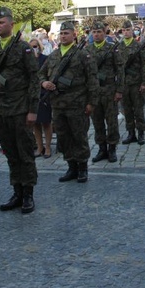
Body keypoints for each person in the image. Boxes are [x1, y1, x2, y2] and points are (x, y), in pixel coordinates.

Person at [0, 7, 40, 213]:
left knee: (24, 152)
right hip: (0, 109)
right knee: (10, 153)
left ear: (11, 24)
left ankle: (28, 195)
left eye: (1, 22)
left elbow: (34, 78)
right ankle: (16, 191)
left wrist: (33, 109)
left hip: (20, 109)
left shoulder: (23, 48)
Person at [39, 21, 99, 183]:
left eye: (67, 33)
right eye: (62, 33)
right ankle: (71, 166)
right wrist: (44, 83)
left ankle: (82, 168)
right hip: (58, 104)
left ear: (74, 35)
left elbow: (92, 81)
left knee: (79, 136)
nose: (63, 36)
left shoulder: (83, 55)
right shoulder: (53, 55)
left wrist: (91, 103)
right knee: (64, 137)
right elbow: (40, 74)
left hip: (77, 104)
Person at [86, 21, 124, 163]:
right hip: (94, 92)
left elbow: (120, 71)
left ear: (104, 32)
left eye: (99, 32)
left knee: (112, 121)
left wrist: (119, 90)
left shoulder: (112, 49)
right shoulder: (87, 50)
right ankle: (102, 149)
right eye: (94, 32)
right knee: (97, 122)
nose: (96, 34)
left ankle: (112, 149)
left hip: (109, 90)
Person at [119, 20, 145, 145]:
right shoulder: (118, 47)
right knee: (127, 110)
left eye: (128, 30)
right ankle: (131, 133)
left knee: (138, 109)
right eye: (124, 30)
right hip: (124, 84)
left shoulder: (138, 46)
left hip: (136, 82)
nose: (126, 32)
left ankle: (141, 132)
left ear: (132, 31)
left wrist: (144, 82)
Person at [28, 38, 53, 158]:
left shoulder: (45, 59)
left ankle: (48, 147)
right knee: (35, 123)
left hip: (43, 94)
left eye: (35, 46)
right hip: (31, 95)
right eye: (31, 46)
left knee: (46, 122)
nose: (34, 48)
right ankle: (39, 147)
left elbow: (48, 74)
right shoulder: (27, 60)